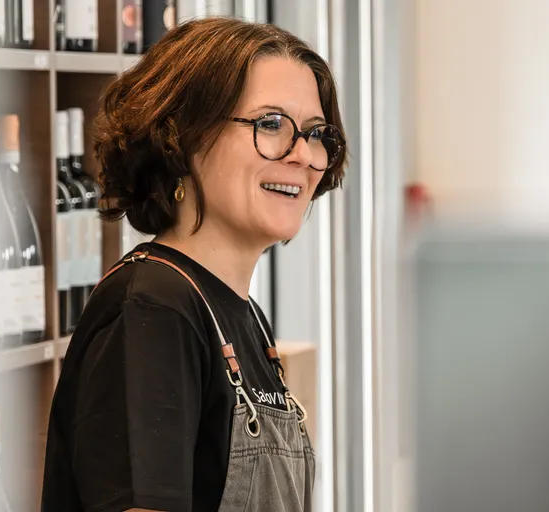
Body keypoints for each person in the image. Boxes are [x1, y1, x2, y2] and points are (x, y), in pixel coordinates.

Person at [40, 16, 347, 512]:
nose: (302, 156)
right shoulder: (153, 308)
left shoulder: (238, 314)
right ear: (182, 137)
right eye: (270, 124)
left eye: (315, 133)